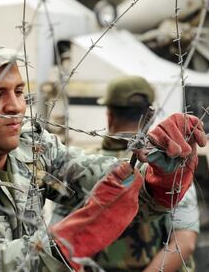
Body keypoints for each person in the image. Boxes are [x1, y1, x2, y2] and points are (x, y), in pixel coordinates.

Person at [0, 35, 206, 272]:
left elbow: (112, 181)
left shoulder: (33, 148)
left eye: (20, 92)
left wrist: (158, 173)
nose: (15, 106)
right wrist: (80, 231)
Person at [51, 75, 199, 272]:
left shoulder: (82, 166)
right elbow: (184, 240)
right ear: (151, 116)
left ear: (109, 115)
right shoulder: (167, 166)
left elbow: (58, 238)